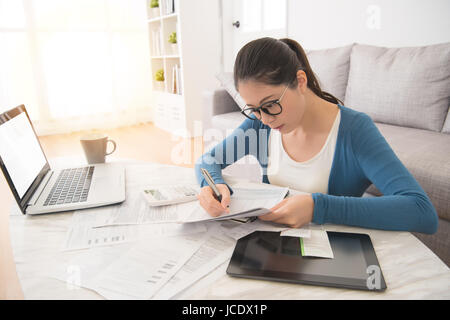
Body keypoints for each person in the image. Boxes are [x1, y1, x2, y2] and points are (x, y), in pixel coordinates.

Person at [195, 37, 438, 234]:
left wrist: (317, 207)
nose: (265, 119)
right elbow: (208, 161)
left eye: (270, 105)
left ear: (300, 81)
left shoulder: (354, 130)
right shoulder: (260, 125)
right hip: (269, 245)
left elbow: (420, 211)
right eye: (254, 109)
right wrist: (212, 185)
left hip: (328, 259)